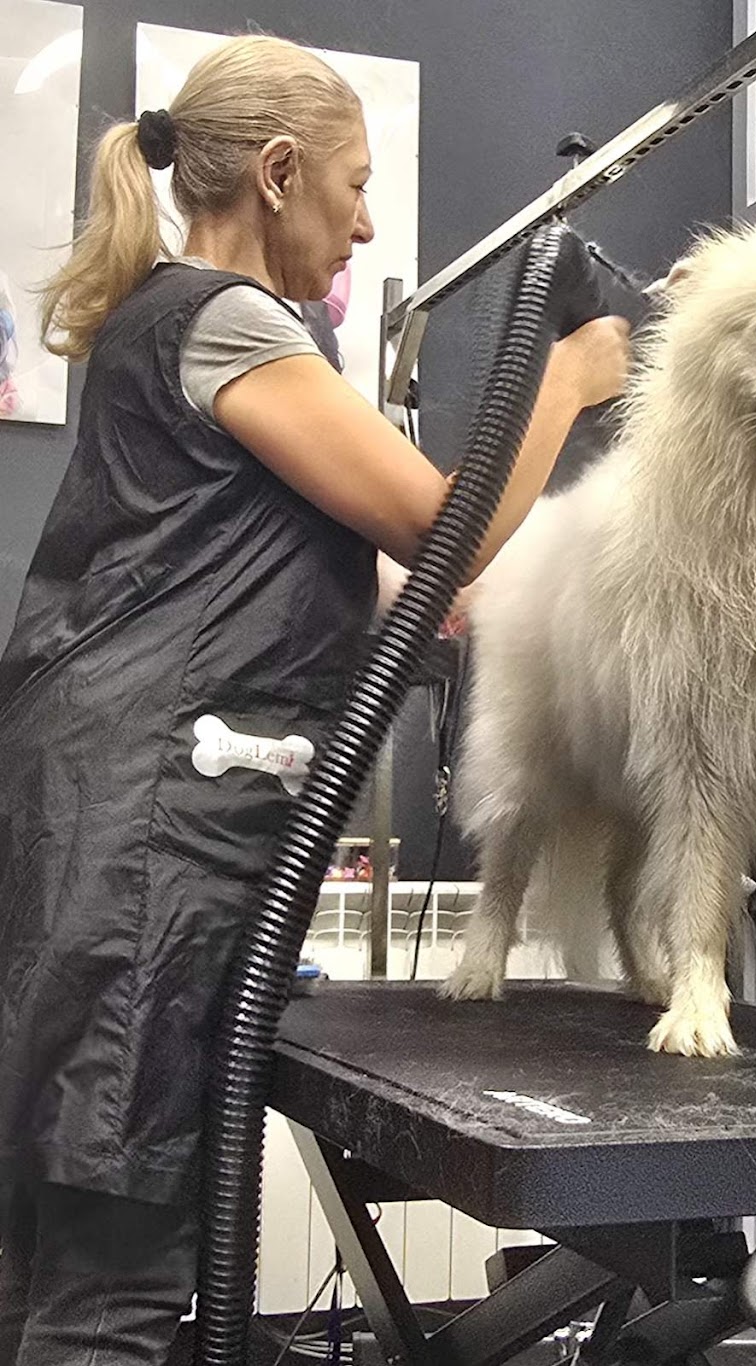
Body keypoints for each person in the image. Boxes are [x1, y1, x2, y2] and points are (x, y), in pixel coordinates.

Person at [0, 33, 630, 1366]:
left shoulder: (160, 324)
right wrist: (570, 380)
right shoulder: (226, 321)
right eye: (355, 186)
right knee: (111, 1293)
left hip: (96, 838)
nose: (368, 223)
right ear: (278, 175)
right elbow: (441, 525)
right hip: (145, 857)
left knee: (48, 1264)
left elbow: (294, 571)